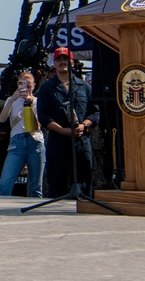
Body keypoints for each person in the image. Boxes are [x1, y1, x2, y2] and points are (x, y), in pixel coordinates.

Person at [37, 47, 99, 197]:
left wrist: (84, 125)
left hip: (81, 141)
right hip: (59, 141)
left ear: (72, 62)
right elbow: (43, 116)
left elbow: (95, 112)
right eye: (59, 60)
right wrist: (62, 130)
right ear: (55, 63)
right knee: (57, 183)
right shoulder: (47, 88)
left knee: (85, 183)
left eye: (66, 60)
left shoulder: (84, 87)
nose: (62, 62)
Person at [0, 71, 45, 197]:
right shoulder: (11, 100)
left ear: (34, 86)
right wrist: (13, 99)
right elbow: (2, 119)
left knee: (35, 186)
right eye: (23, 86)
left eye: (29, 86)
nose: (26, 89)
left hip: (34, 141)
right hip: (16, 142)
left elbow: (37, 126)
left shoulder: (38, 101)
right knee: (5, 184)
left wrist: (30, 104)